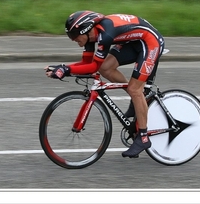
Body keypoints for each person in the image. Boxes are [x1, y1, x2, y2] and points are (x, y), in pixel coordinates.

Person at [45, 10, 165, 158]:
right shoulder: (90, 36)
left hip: (150, 42)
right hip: (134, 41)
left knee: (135, 89)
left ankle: (143, 137)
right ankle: (138, 100)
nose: (74, 41)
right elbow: (87, 63)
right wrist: (62, 67)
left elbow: (92, 67)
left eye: (75, 37)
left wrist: (66, 70)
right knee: (105, 67)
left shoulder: (105, 35)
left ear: (85, 30)